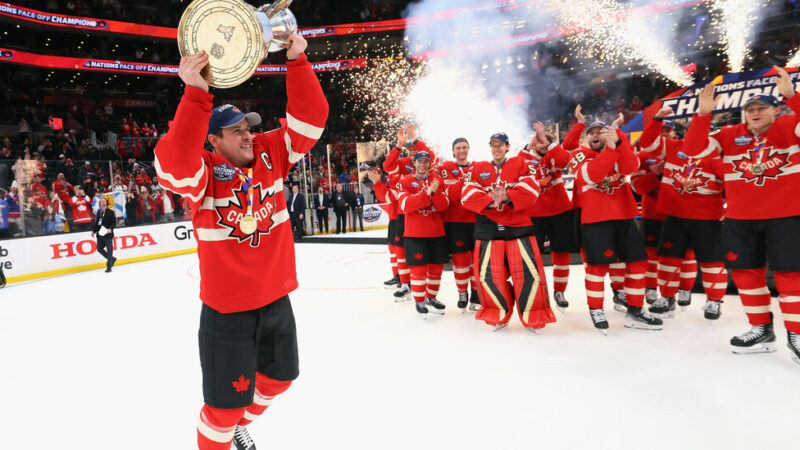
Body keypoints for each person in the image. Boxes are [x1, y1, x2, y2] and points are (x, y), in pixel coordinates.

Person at [154, 34, 328, 450]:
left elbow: (310, 122)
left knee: (280, 380)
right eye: (235, 132)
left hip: (276, 298)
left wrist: (298, 59)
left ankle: (236, 425)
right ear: (212, 140)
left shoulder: (269, 152)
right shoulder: (203, 175)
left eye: (248, 126)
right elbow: (173, 166)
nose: (248, 134)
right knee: (221, 412)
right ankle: (226, 429)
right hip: (228, 310)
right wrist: (196, 95)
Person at [684, 66, 800, 363]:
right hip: (739, 220)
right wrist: (702, 115)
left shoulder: (790, 127)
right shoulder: (728, 135)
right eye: (750, 109)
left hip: (786, 217)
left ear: (776, 110)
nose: (755, 113)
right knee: (747, 275)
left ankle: (797, 334)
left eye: (761, 108)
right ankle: (761, 329)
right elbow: (694, 149)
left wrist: (793, 96)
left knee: (791, 276)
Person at [567, 108, 663, 333]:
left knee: (638, 263)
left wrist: (619, 142)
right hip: (596, 220)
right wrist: (612, 149)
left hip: (625, 217)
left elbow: (630, 167)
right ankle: (596, 309)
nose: (596, 135)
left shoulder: (617, 148)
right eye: (592, 132)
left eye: (601, 131)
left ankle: (636, 310)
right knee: (597, 268)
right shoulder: (579, 155)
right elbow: (593, 175)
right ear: (587, 138)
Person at [637, 106, 728, 321]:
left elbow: (735, 184)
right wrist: (657, 118)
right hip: (675, 216)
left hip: (707, 218)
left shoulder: (718, 155)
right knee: (668, 260)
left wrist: (732, 207)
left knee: (712, 262)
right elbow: (648, 143)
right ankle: (667, 298)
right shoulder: (674, 147)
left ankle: (714, 301)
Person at [460, 132, 556, 332]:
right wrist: (490, 201)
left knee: (528, 274)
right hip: (488, 231)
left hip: (518, 227)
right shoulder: (478, 168)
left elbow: (532, 188)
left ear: (507, 146)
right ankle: (498, 315)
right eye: (493, 145)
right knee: (490, 276)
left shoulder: (521, 163)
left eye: (500, 145)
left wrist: (507, 197)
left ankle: (534, 317)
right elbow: (467, 194)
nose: (496, 149)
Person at [519, 122, 574, 312]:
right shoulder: (527, 160)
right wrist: (531, 144)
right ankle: (537, 290)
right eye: (540, 143)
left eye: (546, 142)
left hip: (559, 211)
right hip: (535, 214)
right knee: (533, 256)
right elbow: (518, 162)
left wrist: (548, 142)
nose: (543, 145)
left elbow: (564, 159)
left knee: (561, 253)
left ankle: (559, 291)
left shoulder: (554, 156)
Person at [397, 150, 449, 318]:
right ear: (415, 163)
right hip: (415, 234)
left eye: (426, 161)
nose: (422, 164)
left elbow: (443, 206)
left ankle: (431, 298)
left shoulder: (437, 180)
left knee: (436, 269)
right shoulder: (406, 181)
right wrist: (426, 195)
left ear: (429, 164)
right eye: (420, 161)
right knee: (418, 269)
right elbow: (405, 205)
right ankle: (419, 301)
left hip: (436, 232)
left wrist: (433, 193)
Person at [437, 137, 479, 311]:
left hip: (476, 220)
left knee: (476, 260)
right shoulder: (445, 168)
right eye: (458, 148)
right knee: (460, 259)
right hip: (455, 221)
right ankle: (463, 293)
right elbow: (448, 196)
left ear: (468, 149)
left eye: (464, 147)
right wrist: (465, 183)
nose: (462, 150)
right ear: (453, 151)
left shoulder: (477, 167)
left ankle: (476, 294)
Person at [92, 197, 117, 272]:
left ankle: (109, 266)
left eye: (104, 201)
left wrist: (110, 228)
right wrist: (93, 231)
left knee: (109, 250)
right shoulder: (99, 212)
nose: (102, 202)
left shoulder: (111, 212)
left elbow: (114, 222)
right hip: (100, 234)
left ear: (106, 203)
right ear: (100, 203)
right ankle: (112, 259)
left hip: (107, 233)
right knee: (99, 249)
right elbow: (97, 223)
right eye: (101, 201)